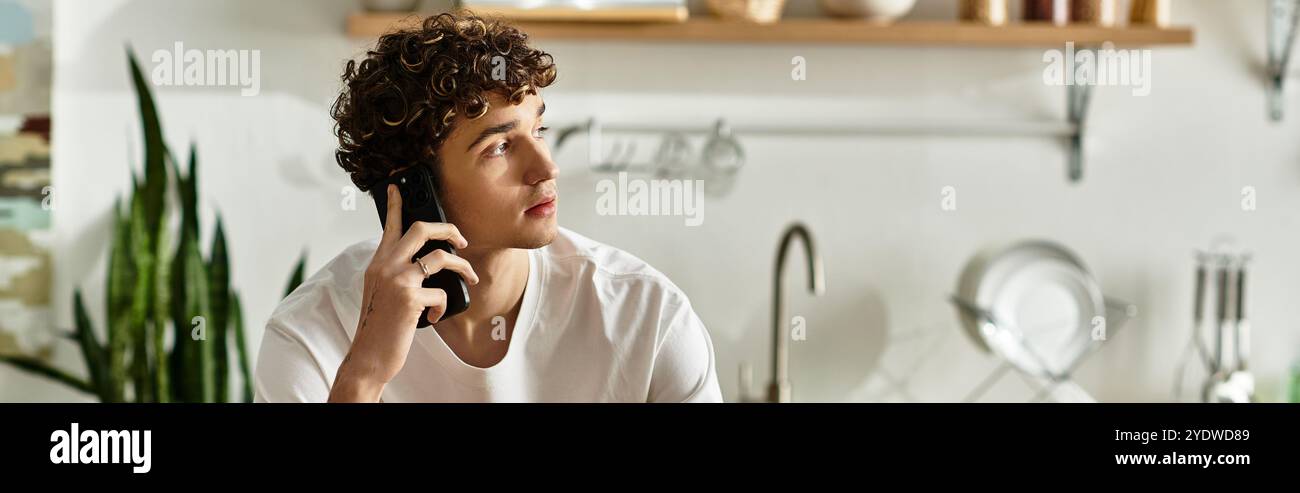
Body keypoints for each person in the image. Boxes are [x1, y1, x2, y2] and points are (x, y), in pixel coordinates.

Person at [253, 12, 723, 403]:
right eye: (499, 147)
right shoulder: (312, 333)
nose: (546, 167)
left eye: (537, 131)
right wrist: (365, 375)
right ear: (414, 187)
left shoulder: (648, 317)